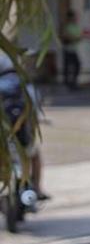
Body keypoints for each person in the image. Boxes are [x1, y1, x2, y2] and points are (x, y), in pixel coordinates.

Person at [0, 50, 48, 200]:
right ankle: (38, 189)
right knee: (34, 155)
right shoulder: (26, 86)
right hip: (22, 138)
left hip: (2, 140)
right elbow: (35, 109)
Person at [60, 10, 82, 90]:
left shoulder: (76, 26)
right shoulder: (66, 26)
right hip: (67, 48)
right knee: (67, 66)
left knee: (77, 65)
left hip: (74, 49)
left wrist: (74, 38)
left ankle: (74, 82)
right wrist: (73, 38)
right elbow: (65, 36)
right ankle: (67, 82)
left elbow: (79, 36)